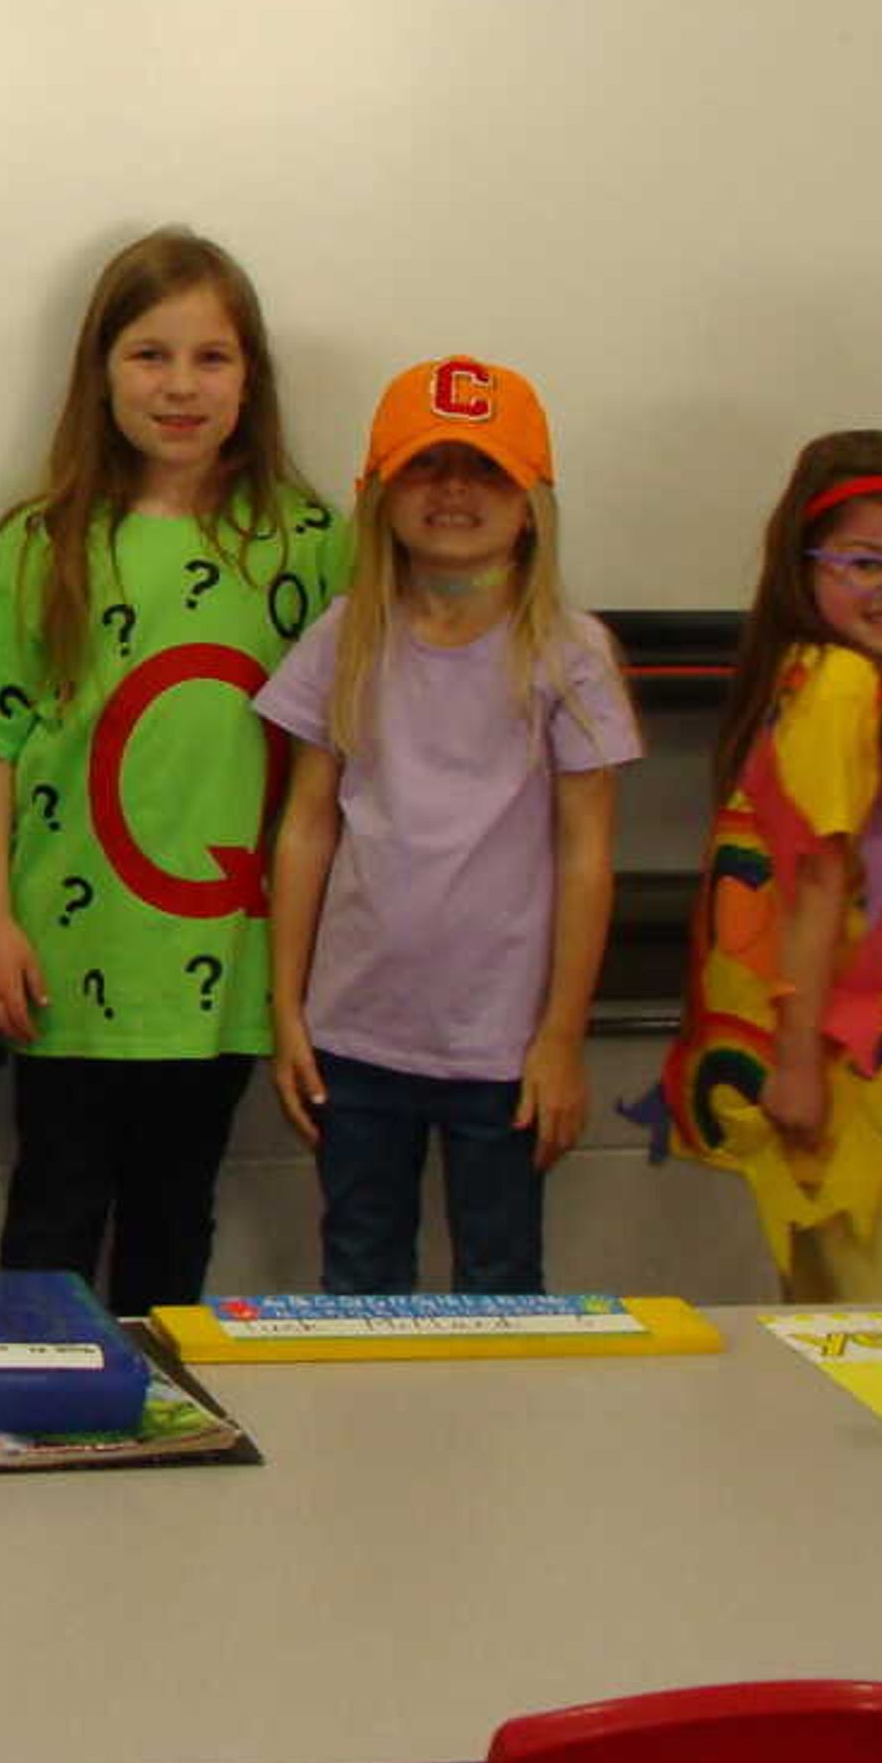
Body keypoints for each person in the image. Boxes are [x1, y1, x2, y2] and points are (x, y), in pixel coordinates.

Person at [0, 228, 349, 1315]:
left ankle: (159, 1433)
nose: (180, 386)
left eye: (211, 358)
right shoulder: (42, 543)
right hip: (66, 966)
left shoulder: (309, 544)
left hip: (220, 967)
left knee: (177, 1216)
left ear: (250, 379)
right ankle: (38, 1425)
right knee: (56, 1210)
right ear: (100, 371)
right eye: (149, 355)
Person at [257, 356, 638, 1294]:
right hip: (356, 1036)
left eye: (487, 469)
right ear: (380, 493)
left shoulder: (569, 652)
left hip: (502, 1049)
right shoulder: (346, 638)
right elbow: (306, 829)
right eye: (428, 466)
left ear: (532, 501)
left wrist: (561, 1037)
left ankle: (493, 1447)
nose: (456, 490)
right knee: (358, 1273)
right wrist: (288, 1012)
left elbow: (588, 855)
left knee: (501, 1283)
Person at [658, 431, 882, 1300]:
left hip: (856, 1071)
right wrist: (799, 1060)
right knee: (869, 1331)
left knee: (834, 1322)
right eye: (865, 563)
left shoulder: (850, 685)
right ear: (802, 566)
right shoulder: (839, 686)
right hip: (840, 1074)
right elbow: (810, 884)